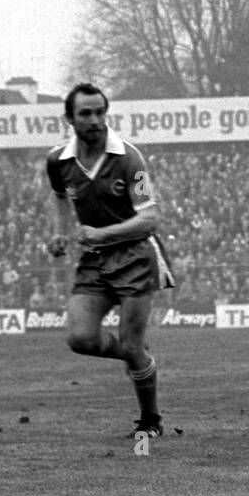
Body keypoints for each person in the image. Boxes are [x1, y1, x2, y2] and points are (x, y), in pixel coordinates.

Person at [45, 83, 175, 438]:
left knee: (132, 343)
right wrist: (60, 232)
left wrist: (101, 234)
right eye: (85, 113)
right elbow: (60, 196)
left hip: (135, 256)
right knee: (80, 337)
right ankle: (139, 358)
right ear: (69, 119)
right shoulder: (58, 161)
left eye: (100, 112)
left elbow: (150, 218)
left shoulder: (128, 158)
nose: (95, 120)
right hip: (95, 261)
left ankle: (151, 421)